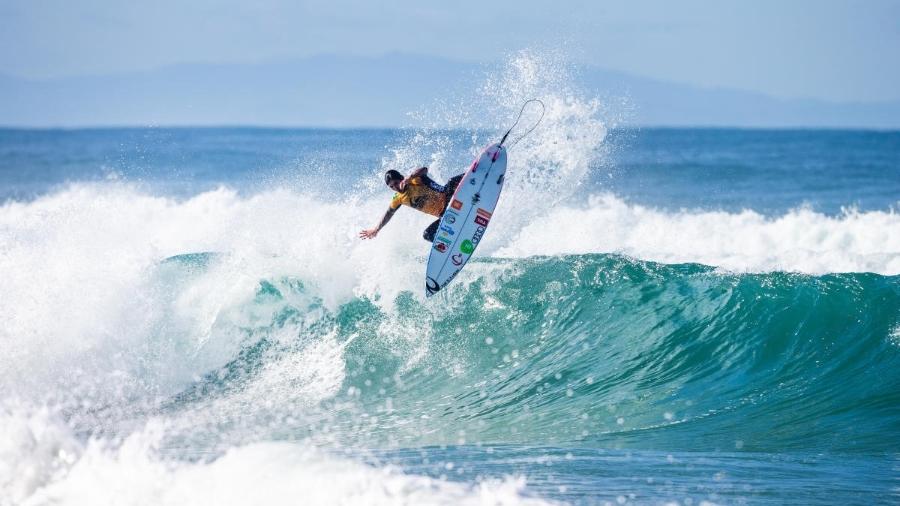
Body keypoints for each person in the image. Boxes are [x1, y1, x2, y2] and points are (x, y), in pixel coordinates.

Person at [359, 167, 464, 242]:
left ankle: (477, 173)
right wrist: (376, 229)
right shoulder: (398, 199)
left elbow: (424, 170)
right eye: (391, 187)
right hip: (444, 216)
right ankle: (452, 245)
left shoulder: (414, 180)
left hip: (450, 199)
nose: (395, 188)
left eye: (396, 183)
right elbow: (388, 214)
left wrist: (410, 177)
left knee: (451, 181)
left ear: (401, 178)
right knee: (428, 235)